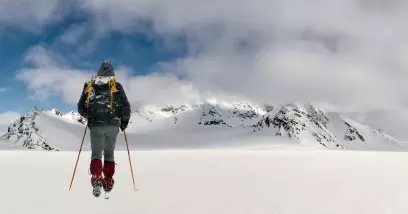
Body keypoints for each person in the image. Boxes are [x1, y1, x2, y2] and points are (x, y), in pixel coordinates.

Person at [77, 61, 131, 197]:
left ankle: (96, 179)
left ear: (99, 72)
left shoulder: (90, 86)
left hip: (96, 126)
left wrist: (90, 116)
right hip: (113, 125)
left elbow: (81, 108)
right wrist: (123, 123)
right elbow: (125, 107)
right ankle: (107, 180)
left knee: (96, 154)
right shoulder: (117, 86)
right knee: (109, 153)